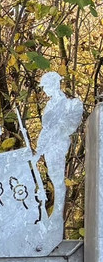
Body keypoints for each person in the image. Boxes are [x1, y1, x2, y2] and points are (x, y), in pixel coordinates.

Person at [35, 71, 83, 226]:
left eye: (46, 86)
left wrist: (54, 133)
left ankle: (57, 213)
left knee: (57, 179)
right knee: (52, 175)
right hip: (48, 144)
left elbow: (65, 126)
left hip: (57, 144)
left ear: (54, 85)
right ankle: (51, 211)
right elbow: (45, 129)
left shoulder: (67, 104)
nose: (44, 90)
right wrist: (39, 149)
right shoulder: (50, 104)